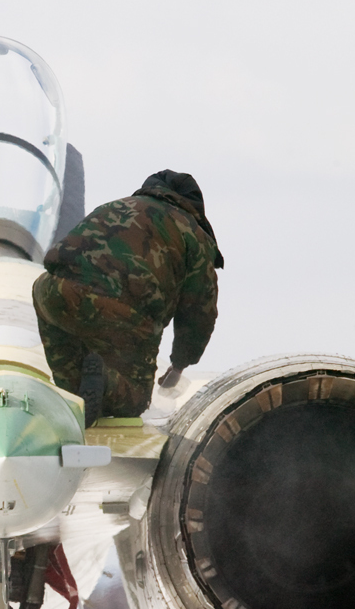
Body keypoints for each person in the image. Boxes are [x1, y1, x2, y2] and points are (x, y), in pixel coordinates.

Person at [32, 170, 222, 424]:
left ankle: (75, 407)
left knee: (75, 390)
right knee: (134, 399)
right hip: (117, 309)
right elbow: (200, 311)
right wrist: (179, 364)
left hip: (50, 292)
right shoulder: (192, 234)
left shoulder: (114, 207)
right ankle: (103, 380)